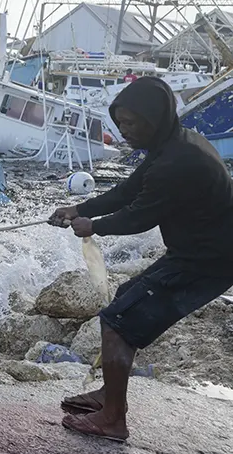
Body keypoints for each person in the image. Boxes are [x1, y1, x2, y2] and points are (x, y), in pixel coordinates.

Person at [49, 76, 233, 442]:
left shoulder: (177, 161)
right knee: (126, 298)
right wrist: (78, 207)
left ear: (156, 117)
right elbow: (128, 191)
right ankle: (108, 395)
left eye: (131, 124)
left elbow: (139, 216)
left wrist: (92, 226)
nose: (124, 132)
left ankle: (113, 419)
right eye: (120, 124)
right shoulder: (173, 144)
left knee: (117, 322)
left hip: (208, 261)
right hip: (198, 252)